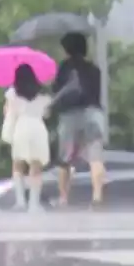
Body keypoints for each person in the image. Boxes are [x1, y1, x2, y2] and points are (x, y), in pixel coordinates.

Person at [49, 32, 106, 207]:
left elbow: (56, 90)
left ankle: (63, 198)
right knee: (95, 157)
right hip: (93, 113)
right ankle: (97, 197)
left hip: (70, 115)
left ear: (67, 49)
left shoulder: (64, 68)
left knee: (65, 160)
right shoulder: (95, 69)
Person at [3, 63, 53, 212]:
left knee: (18, 165)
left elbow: (7, 112)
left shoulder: (12, 93)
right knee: (36, 166)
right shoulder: (42, 94)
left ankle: (20, 202)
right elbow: (47, 114)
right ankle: (34, 204)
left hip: (21, 126)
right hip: (38, 128)